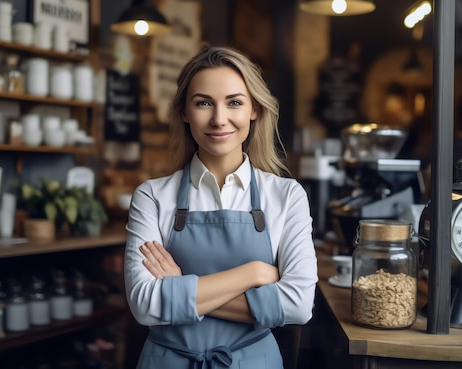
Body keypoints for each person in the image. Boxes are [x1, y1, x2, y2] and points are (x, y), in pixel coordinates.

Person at [124, 46, 318, 369]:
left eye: (234, 103)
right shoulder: (152, 197)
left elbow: (299, 305)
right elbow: (144, 305)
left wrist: (179, 285)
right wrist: (254, 273)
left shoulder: (287, 196)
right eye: (203, 103)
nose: (218, 119)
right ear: (185, 112)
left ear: (254, 109)